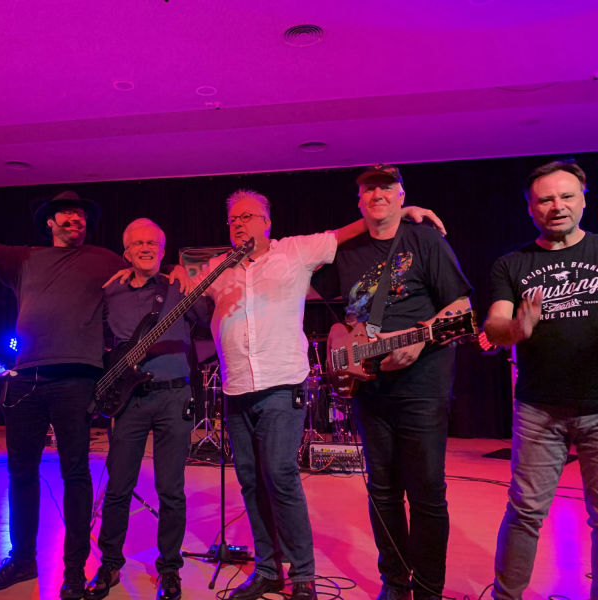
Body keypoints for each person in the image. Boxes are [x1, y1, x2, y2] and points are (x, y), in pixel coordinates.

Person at [196, 188, 447, 600]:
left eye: (248, 216)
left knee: (280, 475)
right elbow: (182, 285)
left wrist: (400, 212)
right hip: (236, 387)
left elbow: (345, 232)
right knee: (250, 481)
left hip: (282, 385)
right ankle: (267, 569)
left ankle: (302, 574)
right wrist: (169, 273)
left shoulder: (293, 251)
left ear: (267, 222)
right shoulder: (218, 268)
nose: (239, 224)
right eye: (233, 219)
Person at [0, 154, 125, 599]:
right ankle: (22, 560)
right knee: (21, 472)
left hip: (77, 379)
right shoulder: (25, 260)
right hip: (26, 380)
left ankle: (74, 570)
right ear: (50, 222)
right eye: (66, 214)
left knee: (76, 474)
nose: (75, 219)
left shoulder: (104, 260)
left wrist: (179, 273)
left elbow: (143, 279)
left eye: (81, 215)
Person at [311, 165, 472, 600]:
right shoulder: (348, 250)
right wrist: (342, 340)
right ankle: (395, 583)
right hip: (370, 386)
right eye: (369, 189)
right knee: (382, 492)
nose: (377, 194)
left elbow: (460, 307)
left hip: (423, 384)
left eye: (387, 187)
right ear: (359, 200)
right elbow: (315, 293)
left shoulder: (425, 240)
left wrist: (419, 341)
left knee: (426, 491)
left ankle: (429, 589)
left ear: (401, 195)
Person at [485, 160, 598, 600]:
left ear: (583, 199)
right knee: (525, 512)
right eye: (546, 199)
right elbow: (495, 325)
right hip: (538, 409)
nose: (557, 206)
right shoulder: (512, 264)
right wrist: (516, 328)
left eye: (566, 196)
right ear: (530, 208)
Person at [84, 218, 208, 600]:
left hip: (174, 398)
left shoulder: (178, 286)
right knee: (118, 487)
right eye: (138, 243)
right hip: (130, 400)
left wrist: (186, 277)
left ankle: (169, 569)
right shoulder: (111, 292)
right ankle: (110, 564)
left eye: (152, 242)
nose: (146, 248)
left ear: (162, 248)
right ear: (126, 252)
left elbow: (206, 320)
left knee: (171, 490)